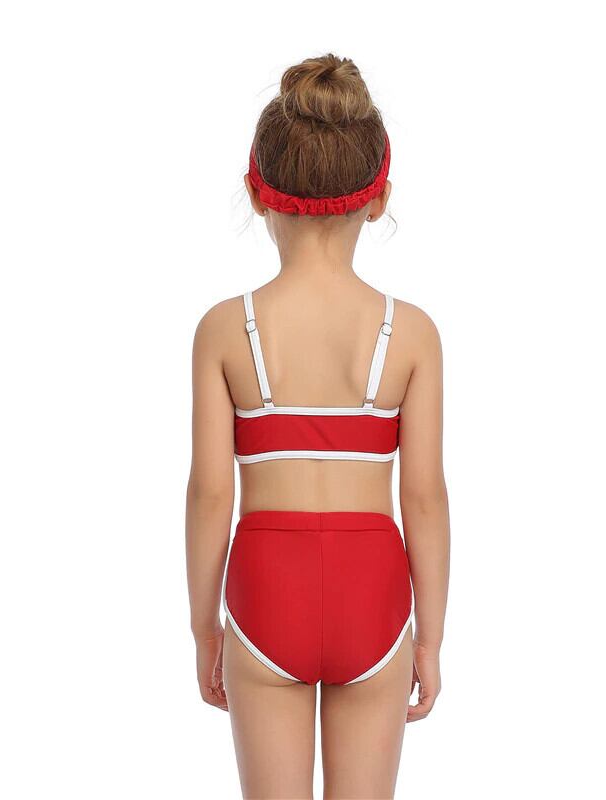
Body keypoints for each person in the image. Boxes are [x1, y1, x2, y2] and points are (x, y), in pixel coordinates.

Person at [186, 53, 450, 799]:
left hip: (267, 587)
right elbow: (424, 497)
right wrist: (429, 637)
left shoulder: (224, 331)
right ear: (379, 197)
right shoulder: (412, 334)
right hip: (375, 591)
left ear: (255, 191)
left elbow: (210, 494)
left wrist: (204, 627)